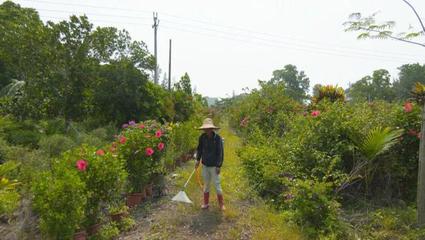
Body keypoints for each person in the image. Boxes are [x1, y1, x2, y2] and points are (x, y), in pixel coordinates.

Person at [195, 118, 225, 210]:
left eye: (208, 129)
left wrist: (218, 165)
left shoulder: (218, 138)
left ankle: (221, 204)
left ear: (212, 129)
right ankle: (206, 203)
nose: (206, 130)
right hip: (205, 165)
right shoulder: (202, 138)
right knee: (206, 185)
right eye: (205, 129)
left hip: (214, 166)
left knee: (217, 185)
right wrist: (197, 160)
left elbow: (220, 152)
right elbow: (199, 149)